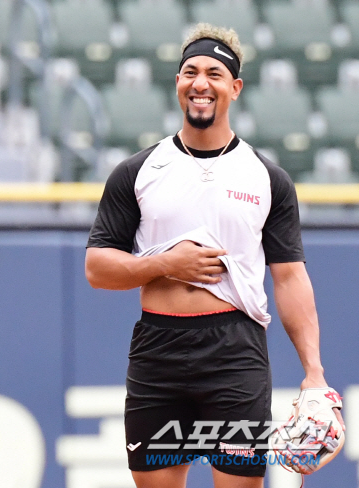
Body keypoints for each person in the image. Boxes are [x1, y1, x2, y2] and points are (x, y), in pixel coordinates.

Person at [85, 23, 344, 488]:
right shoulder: (138, 171)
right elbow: (97, 268)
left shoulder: (267, 178)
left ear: (235, 87)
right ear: (177, 83)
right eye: (190, 72)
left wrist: (315, 373)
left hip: (234, 352)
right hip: (158, 350)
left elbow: (289, 278)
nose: (200, 83)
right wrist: (165, 263)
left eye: (214, 73)